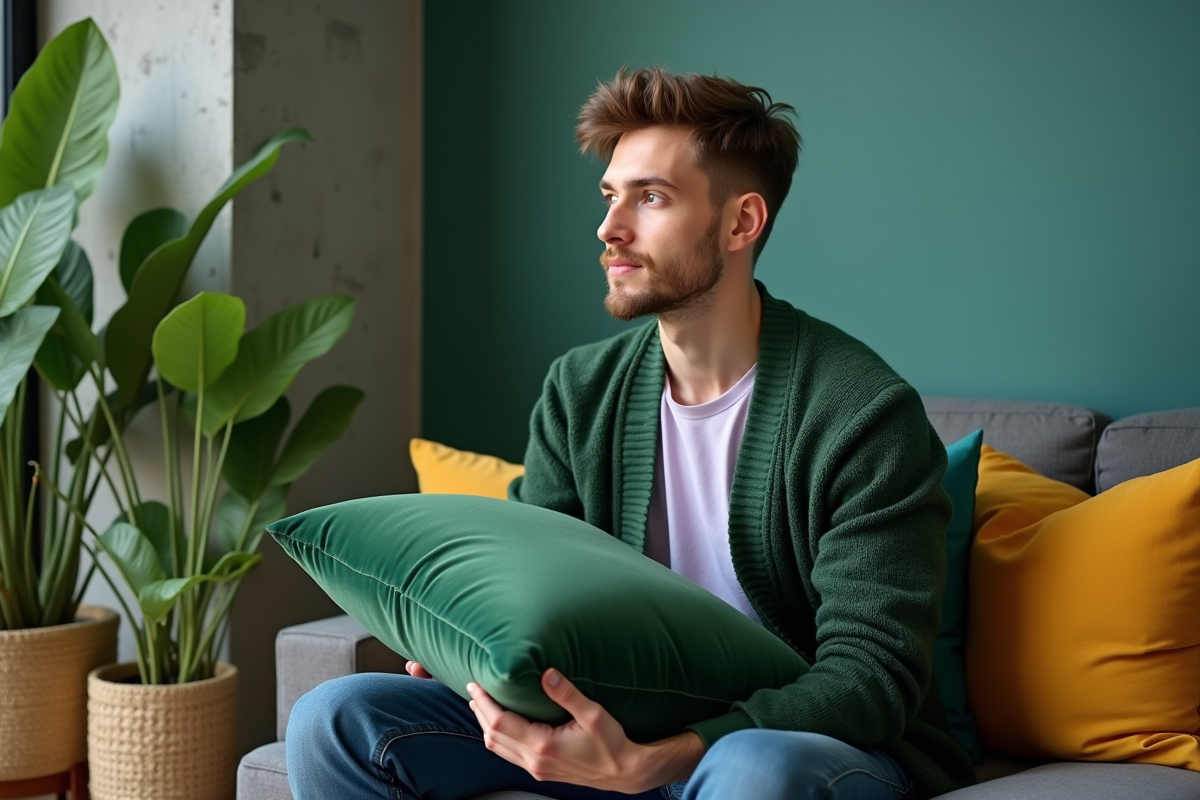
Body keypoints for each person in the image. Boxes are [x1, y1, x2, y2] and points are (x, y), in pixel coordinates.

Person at [287, 67, 975, 800]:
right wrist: (473, 648)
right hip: (613, 729)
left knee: (753, 769)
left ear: (741, 222)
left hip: (809, 747)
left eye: (651, 197)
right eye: (610, 195)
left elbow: (872, 677)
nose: (610, 228)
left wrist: (670, 756)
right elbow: (534, 584)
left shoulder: (862, 414)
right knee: (337, 719)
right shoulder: (580, 390)